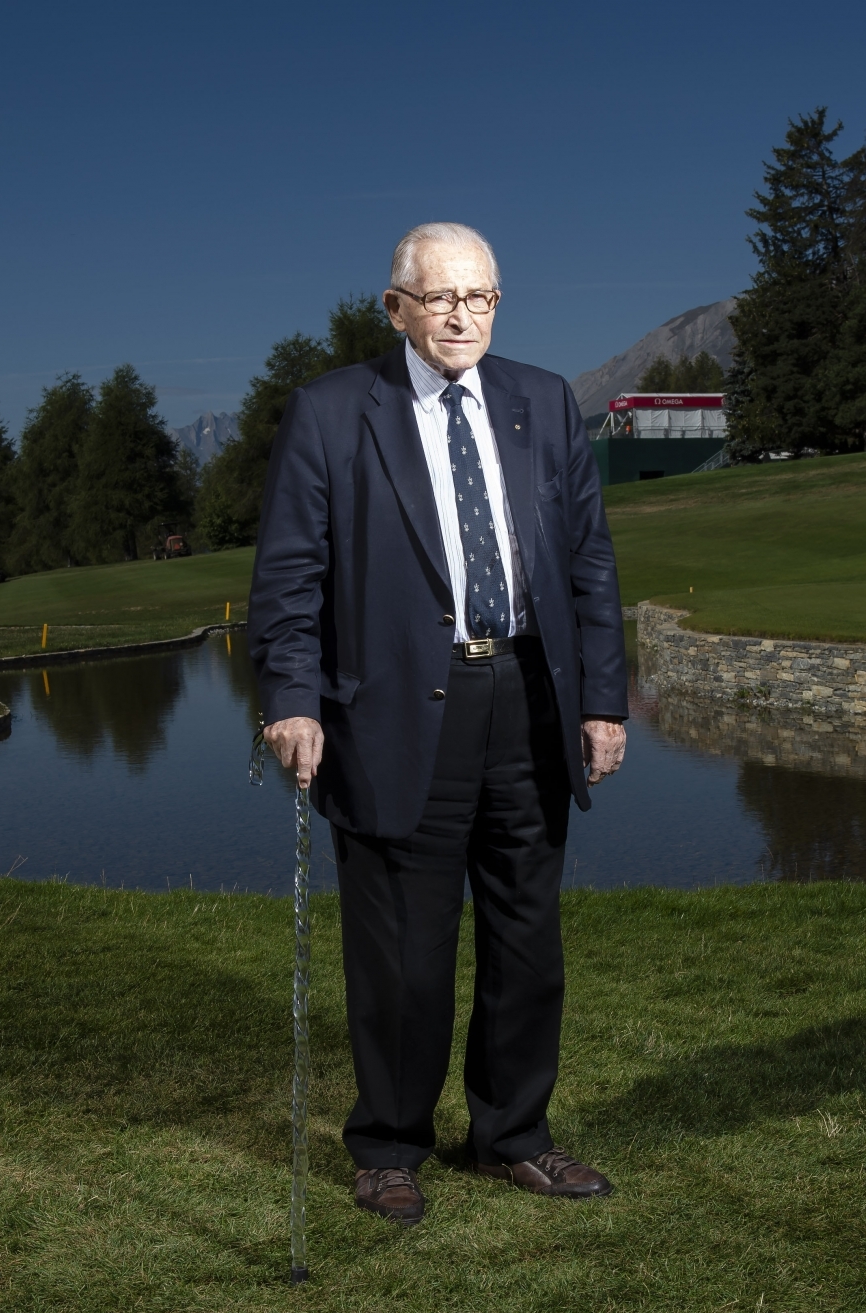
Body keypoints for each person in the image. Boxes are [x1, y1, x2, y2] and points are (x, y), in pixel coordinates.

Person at [249, 221, 628, 1227]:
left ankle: (514, 1135)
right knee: (400, 951)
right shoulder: (331, 413)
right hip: (392, 713)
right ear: (396, 307)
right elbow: (289, 577)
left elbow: (587, 561)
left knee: (525, 936)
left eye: (482, 297)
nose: (462, 317)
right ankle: (387, 1146)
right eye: (441, 298)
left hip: (526, 698)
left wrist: (600, 698)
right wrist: (291, 698)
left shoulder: (542, 401)